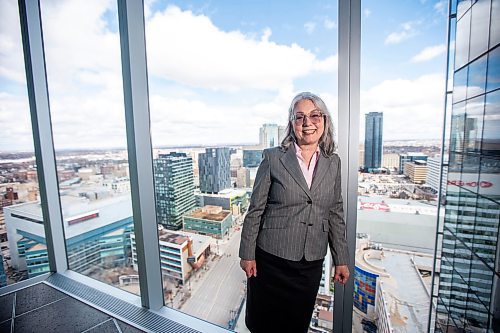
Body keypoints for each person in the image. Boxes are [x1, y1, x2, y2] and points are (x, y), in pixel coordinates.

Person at [239, 92, 350, 333]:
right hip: (270, 260)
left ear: (325, 121)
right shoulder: (273, 158)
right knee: (263, 325)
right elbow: (255, 209)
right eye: (300, 117)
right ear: (292, 124)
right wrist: (247, 254)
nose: (307, 122)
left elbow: (335, 213)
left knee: (296, 326)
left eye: (314, 115)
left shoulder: (334, 163)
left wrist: (341, 258)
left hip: (309, 263)